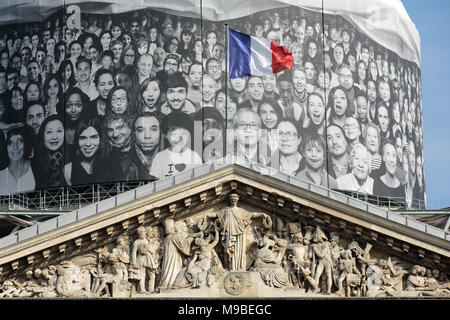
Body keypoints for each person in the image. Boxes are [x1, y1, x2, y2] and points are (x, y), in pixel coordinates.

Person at [149, 111, 202, 179]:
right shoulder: (159, 158)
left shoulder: (195, 157)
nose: (178, 138)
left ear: (190, 134)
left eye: (183, 133)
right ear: (165, 135)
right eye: (173, 134)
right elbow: (155, 182)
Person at [64, 117, 109, 185]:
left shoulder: (111, 165)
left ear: (101, 139)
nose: (88, 144)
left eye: (94, 137)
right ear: (77, 141)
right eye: (83, 138)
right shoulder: (68, 170)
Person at [32, 115, 65, 189]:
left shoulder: (72, 157)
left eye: (59, 131)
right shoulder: (34, 162)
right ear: (42, 134)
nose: (54, 137)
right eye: (49, 132)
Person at [0, 127, 36, 194]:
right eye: (10, 142)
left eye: (20, 141)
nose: (15, 147)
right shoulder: (1, 173)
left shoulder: (37, 169)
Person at [129, 112, 163, 180]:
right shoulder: (121, 165)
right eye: (140, 130)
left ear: (160, 133)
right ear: (134, 135)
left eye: (154, 129)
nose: (147, 136)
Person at [104, 112, 136, 181]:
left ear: (130, 128)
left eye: (120, 128)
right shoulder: (106, 154)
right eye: (110, 130)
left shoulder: (140, 147)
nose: (115, 134)